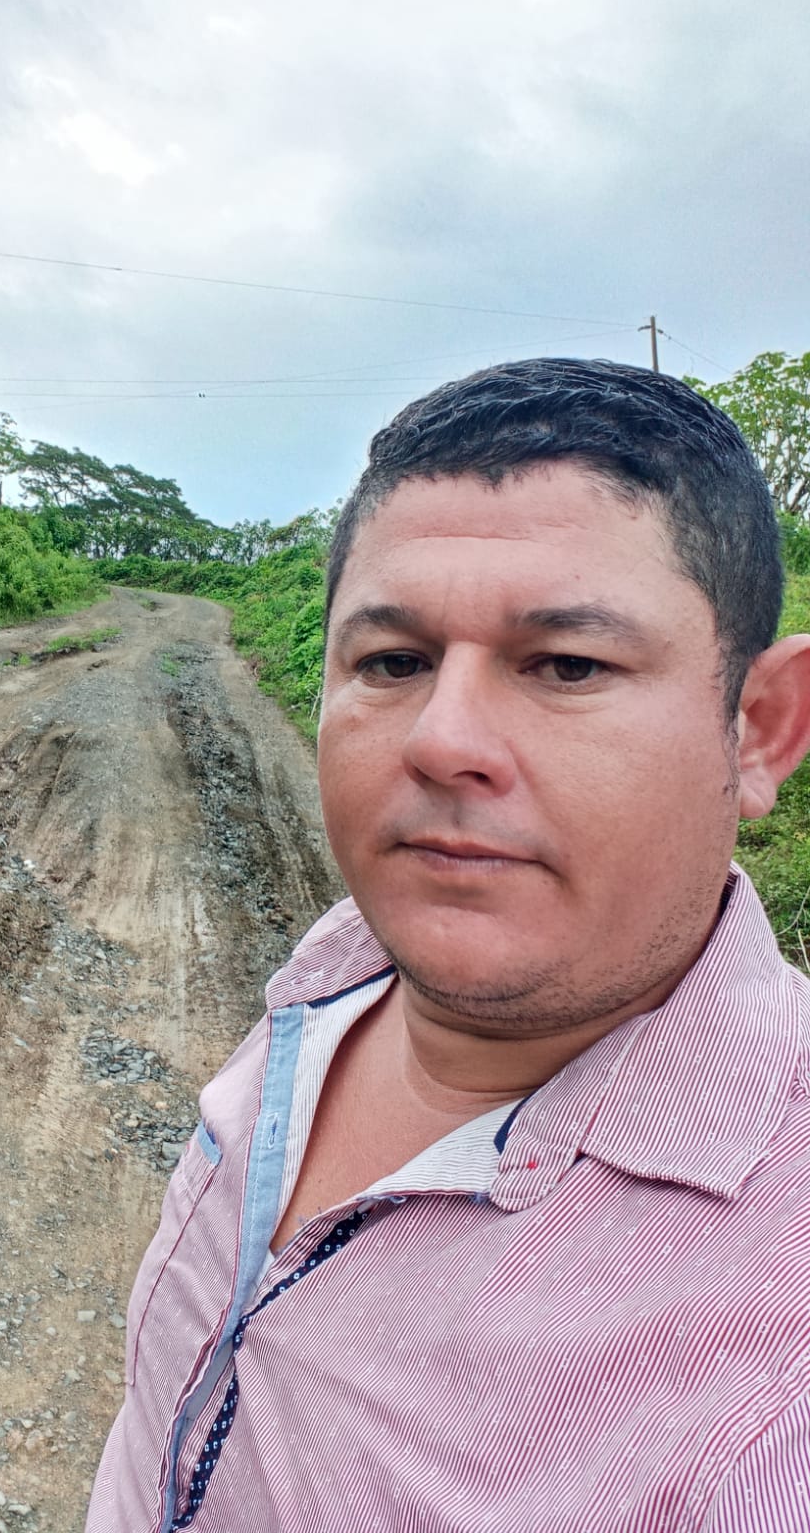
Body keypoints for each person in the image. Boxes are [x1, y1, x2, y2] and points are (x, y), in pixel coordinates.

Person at [85, 358, 810, 1532]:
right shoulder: (334, 971)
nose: (441, 739)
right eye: (394, 662)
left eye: (568, 665)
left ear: (761, 727)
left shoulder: (779, 1375)